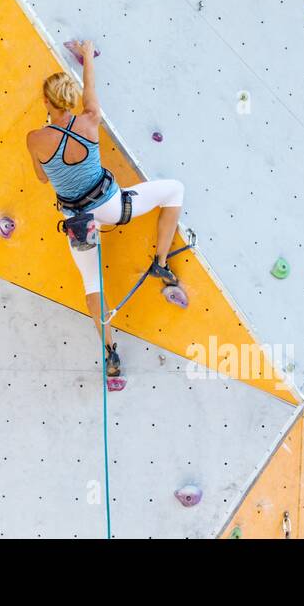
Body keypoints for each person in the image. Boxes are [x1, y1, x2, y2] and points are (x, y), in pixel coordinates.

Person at [26, 40, 184, 378]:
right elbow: (91, 92)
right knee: (174, 190)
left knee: (91, 286)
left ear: (45, 102)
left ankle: (110, 353)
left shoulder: (35, 139)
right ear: (71, 99)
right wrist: (87, 55)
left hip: (78, 222)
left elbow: (41, 178)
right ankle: (160, 262)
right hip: (112, 207)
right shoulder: (90, 120)